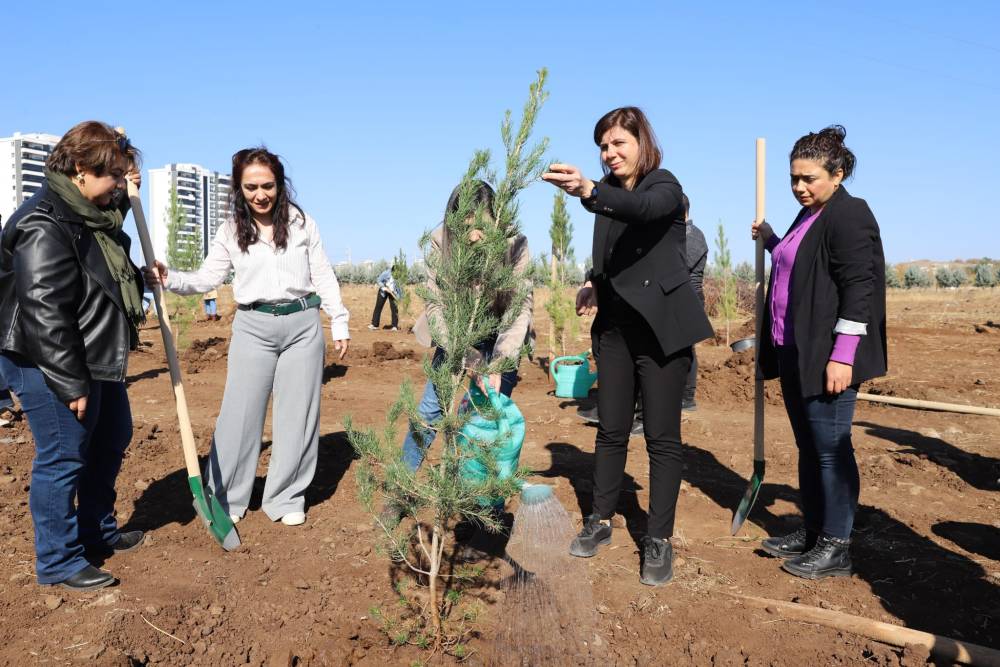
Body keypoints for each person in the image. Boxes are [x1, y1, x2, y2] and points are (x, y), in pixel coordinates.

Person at [543, 107, 714, 586]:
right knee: (611, 429)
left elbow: (645, 213)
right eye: (603, 145)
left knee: (661, 437)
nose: (610, 152)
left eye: (619, 142)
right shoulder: (608, 196)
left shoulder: (664, 186)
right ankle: (599, 521)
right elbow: (612, 253)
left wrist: (590, 191)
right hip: (616, 329)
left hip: (661, 330)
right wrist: (593, 283)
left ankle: (658, 538)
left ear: (642, 143)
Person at [144, 147, 350, 527]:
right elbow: (206, 279)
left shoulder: (303, 223)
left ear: (280, 184)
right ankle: (227, 495)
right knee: (239, 415)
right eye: (251, 187)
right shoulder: (230, 231)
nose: (260, 194)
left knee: (298, 415)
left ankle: (286, 497)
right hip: (253, 327)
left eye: (268, 186)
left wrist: (339, 319)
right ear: (239, 189)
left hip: (303, 324)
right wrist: (169, 277)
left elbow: (322, 273)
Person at [0, 121, 145, 590]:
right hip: (46, 359)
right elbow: (45, 311)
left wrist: (125, 174)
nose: (120, 187)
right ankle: (59, 560)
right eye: (115, 176)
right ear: (81, 170)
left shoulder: (86, 211)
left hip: (93, 350)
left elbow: (104, 247)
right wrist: (68, 381)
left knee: (111, 437)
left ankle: (96, 531)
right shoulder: (44, 221)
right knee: (64, 455)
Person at [752, 126, 886, 580]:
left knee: (830, 448)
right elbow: (799, 263)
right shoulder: (807, 215)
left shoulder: (849, 214)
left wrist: (843, 354)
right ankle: (813, 530)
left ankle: (836, 546)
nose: (799, 187)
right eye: (794, 178)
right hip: (794, 349)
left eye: (809, 178)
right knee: (809, 447)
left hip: (827, 355)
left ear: (838, 173)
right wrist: (772, 240)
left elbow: (858, 288)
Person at [401, 181, 533, 473]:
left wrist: (500, 360)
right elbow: (436, 306)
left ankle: (482, 503)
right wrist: (464, 352)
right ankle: (400, 489)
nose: (474, 236)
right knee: (429, 412)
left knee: (486, 418)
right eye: (466, 227)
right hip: (455, 333)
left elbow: (519, 307)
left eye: (483, 228)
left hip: (501, 335)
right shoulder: (440, 241)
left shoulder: (515, 244)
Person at [682, 194, 708, 411]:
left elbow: (676, 266)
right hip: (683, 298)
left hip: (689, 299)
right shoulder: (683, 234)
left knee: (684, 349)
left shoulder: (693, 236)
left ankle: (687, 398)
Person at [368, 266, 401, 331]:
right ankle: (374, 325)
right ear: (392, 271)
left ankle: (394, 326)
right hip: (383, 291)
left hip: (393, 292)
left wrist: (399, 297)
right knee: (378, 306)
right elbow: (378, 280)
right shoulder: (386, 273)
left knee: (394, 308)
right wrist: (385, 287)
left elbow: (399, 289)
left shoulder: (399, 277)